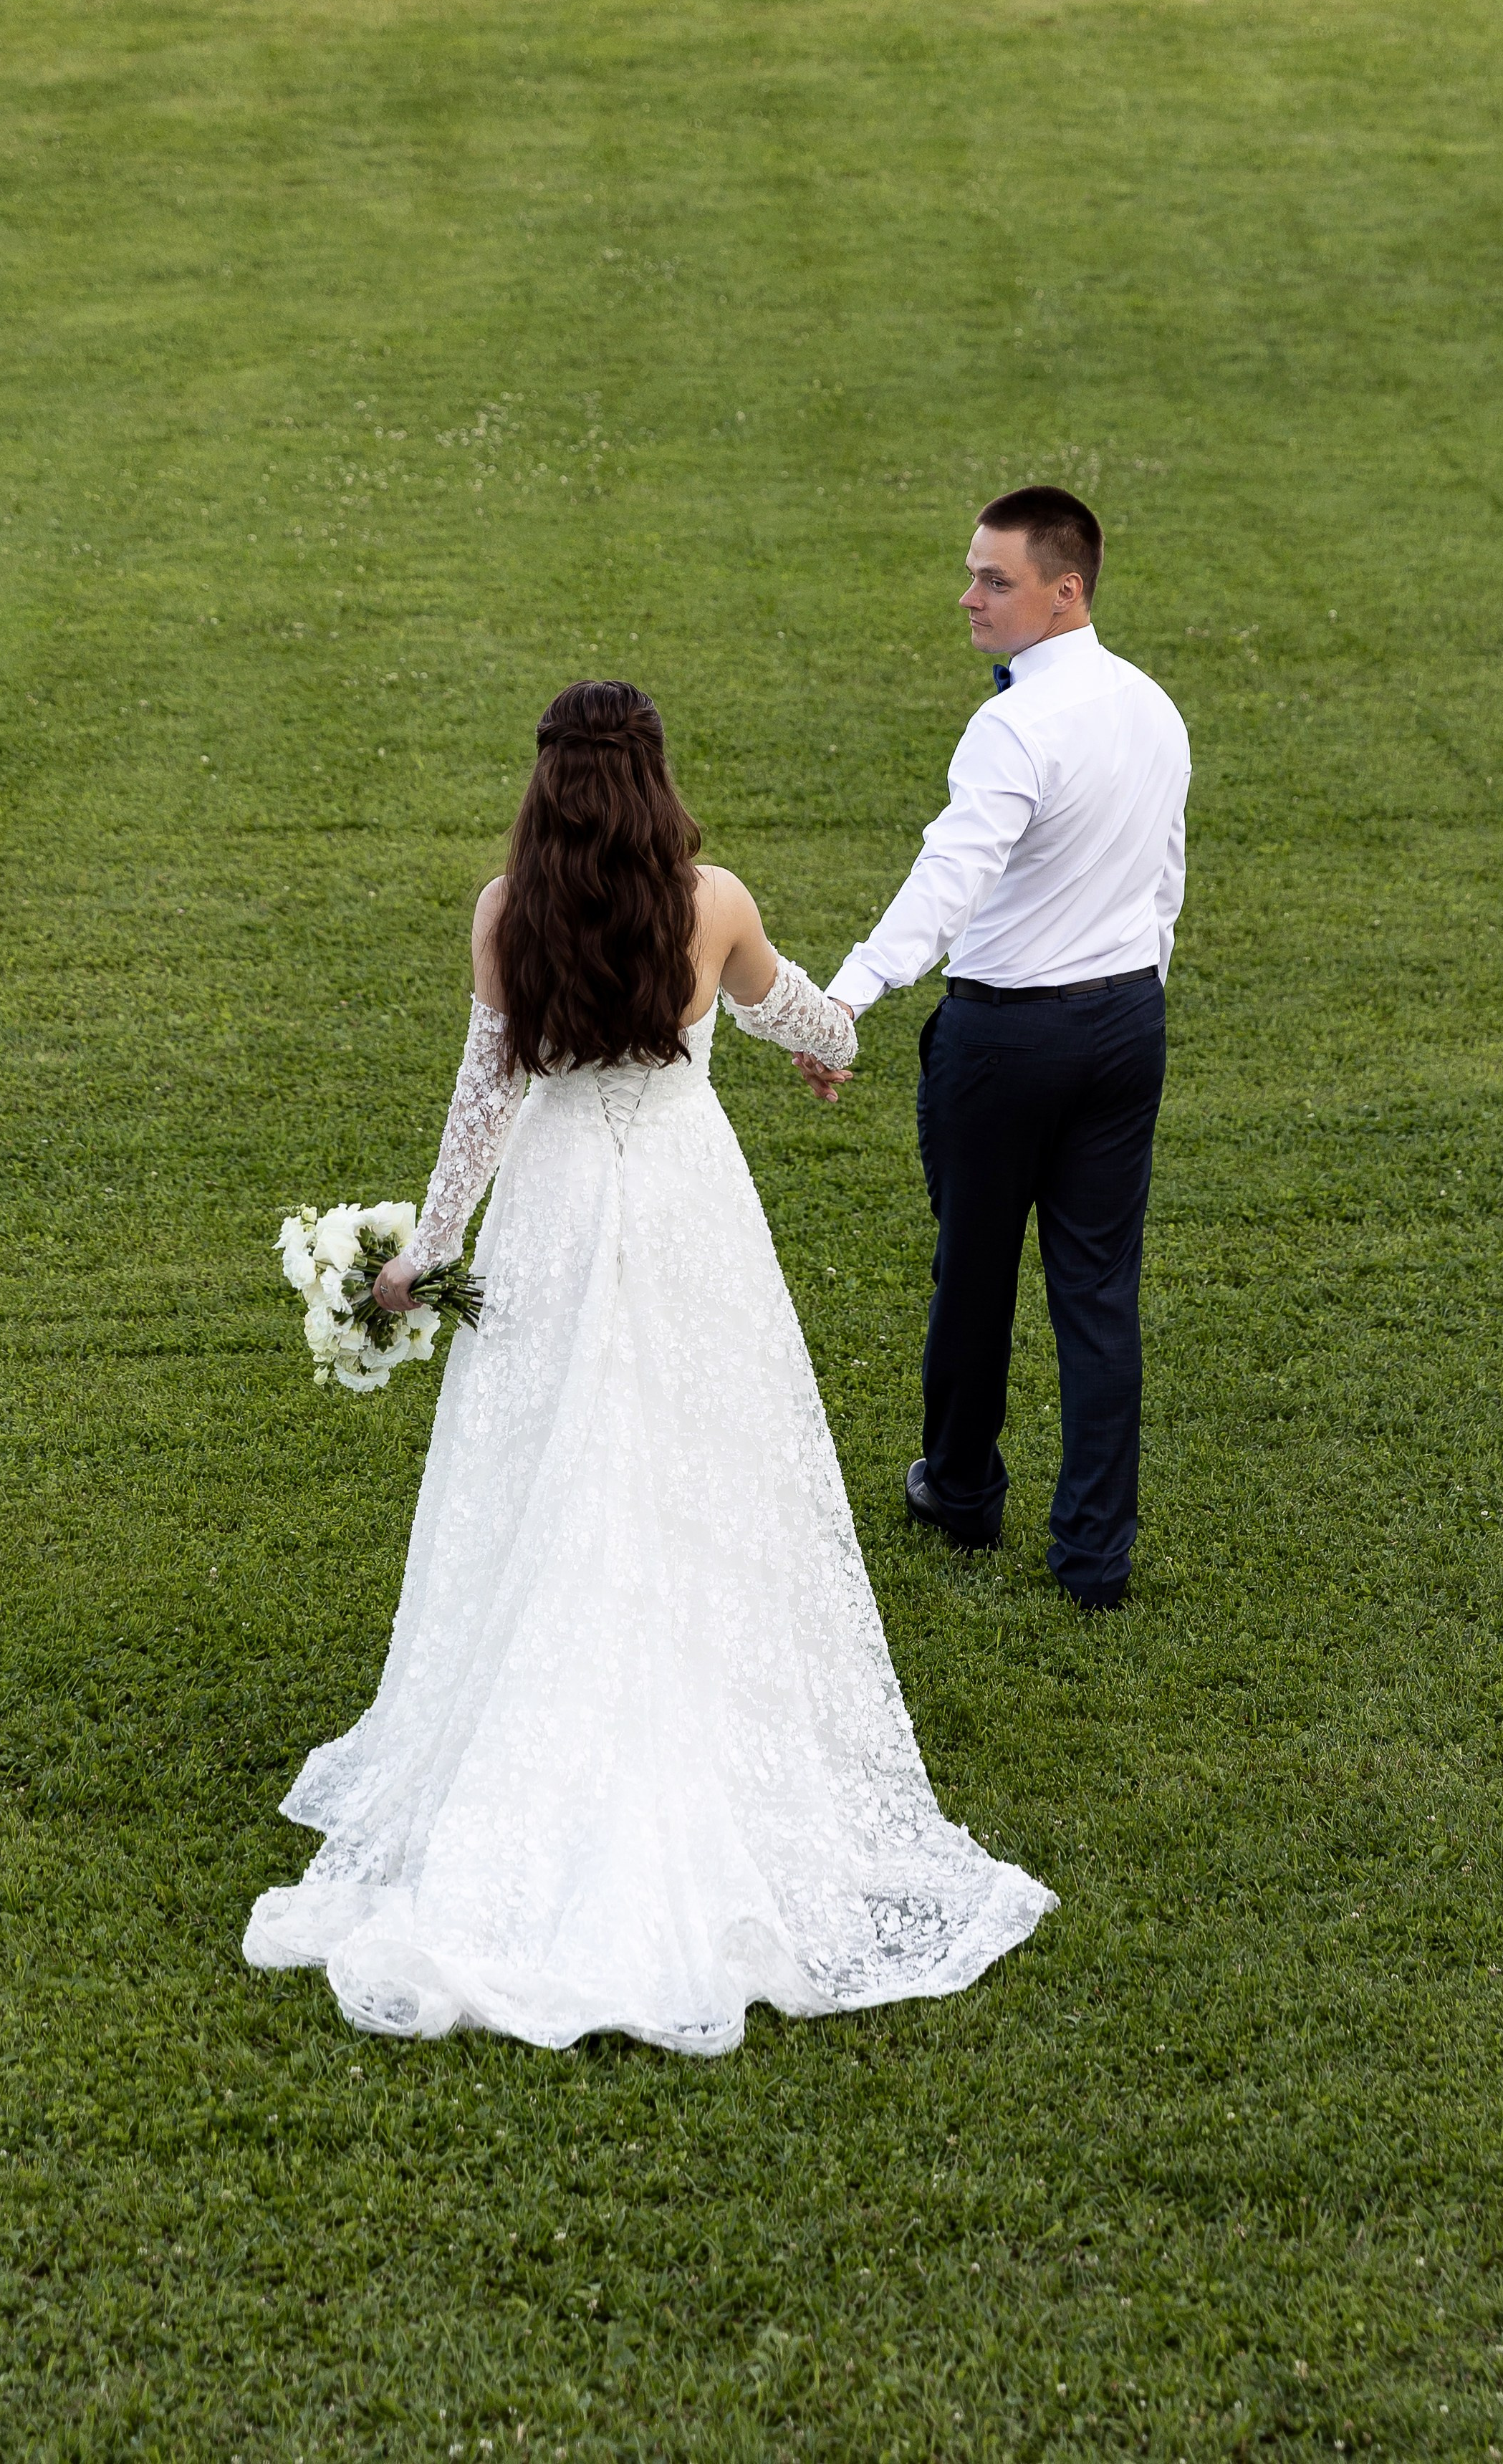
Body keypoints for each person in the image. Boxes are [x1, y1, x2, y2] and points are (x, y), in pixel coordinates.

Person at [244, 678, 1055, 2052]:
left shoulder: (509, 914)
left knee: (546, 1446)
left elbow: (481, 1108)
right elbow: (819, 1024)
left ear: (550, 779)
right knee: (701, 1443)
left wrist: (416, 1263)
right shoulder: (712, 900)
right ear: (654, 774)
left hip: (557, 1208)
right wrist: (823, 1047)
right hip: (687, 1202)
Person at [812, 488, 1190, 1611]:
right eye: (973, 571)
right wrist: (1135, 992)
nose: (968, 595)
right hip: (1127, 1026)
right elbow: (1165, 879)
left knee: (973, 1275)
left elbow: (947, 885)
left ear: (1064, 590)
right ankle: (1094, 1559)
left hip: (1005, 1038)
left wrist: (845, 999)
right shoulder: (1154, 705)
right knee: (1099, 1294)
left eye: (994, 579)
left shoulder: (1015, 724)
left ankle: (964, 1493)